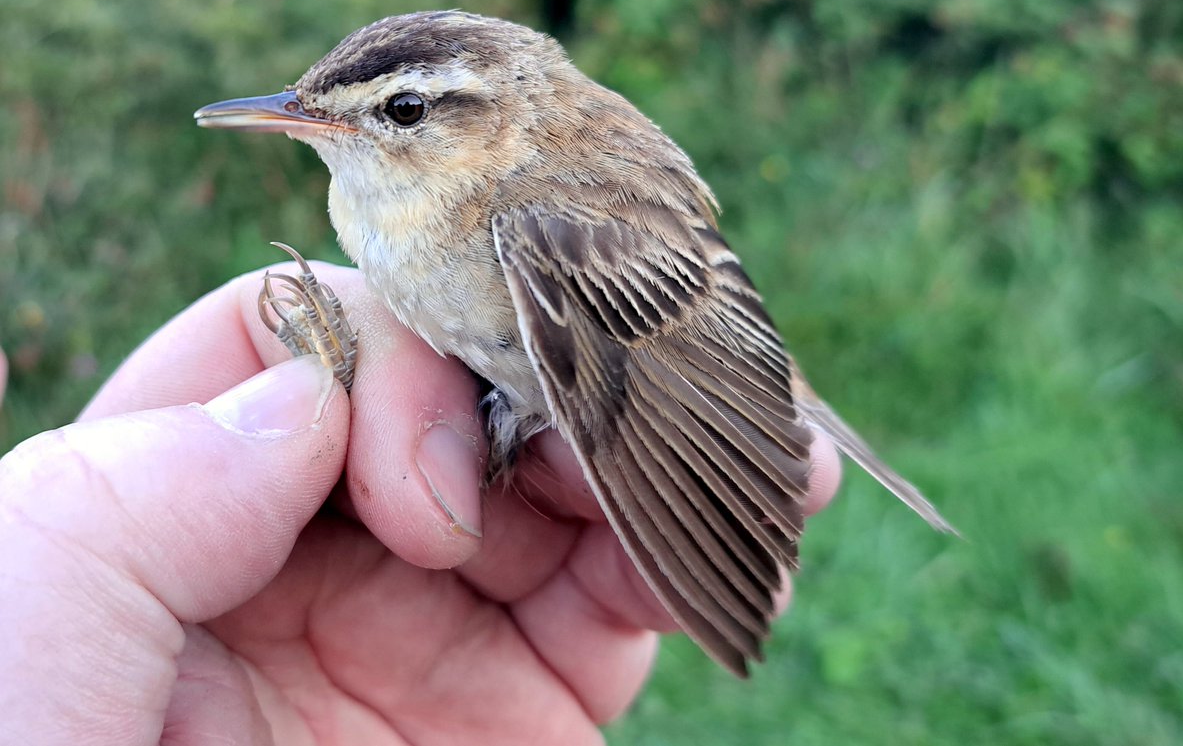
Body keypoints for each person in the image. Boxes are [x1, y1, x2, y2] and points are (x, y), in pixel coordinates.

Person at [0, 261, 842, 745]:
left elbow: (665, 350)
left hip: (681, 350)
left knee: (542, 433)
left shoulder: (528, 218)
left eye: (400, 113)